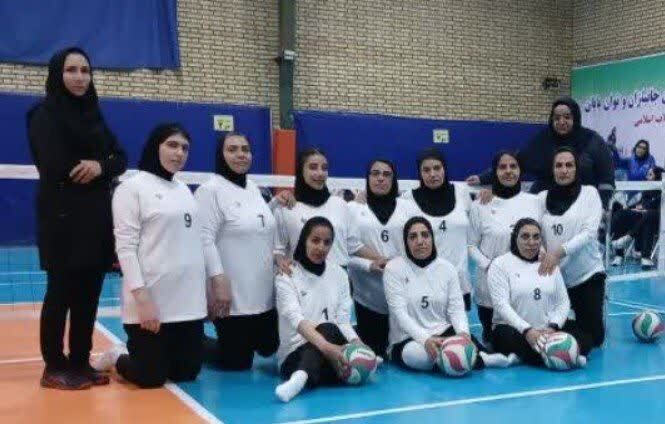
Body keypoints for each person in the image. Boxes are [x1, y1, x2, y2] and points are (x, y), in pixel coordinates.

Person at [27, 47, 127, 390]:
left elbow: (120, 157)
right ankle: (54, 367)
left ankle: (80, 361)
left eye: (85, 70)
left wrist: (100, 166)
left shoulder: (95, 116)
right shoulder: (42, 115)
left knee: (89, 294)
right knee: (60, 294)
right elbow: (56, 164)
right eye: (71, 70)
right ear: (58, 74)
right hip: (61, 219)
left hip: (96, 219)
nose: (80, 77)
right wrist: (100, 165)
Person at [92, 124, 207, 388]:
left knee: (187, 372)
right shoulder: (131, 188)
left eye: (185, 148)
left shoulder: (184, 190)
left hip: (186, 305)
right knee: (150, 376)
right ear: (156, 147)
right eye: (172, 145)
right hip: (150, 302)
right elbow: (125, 248)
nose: (179, 153)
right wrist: (143, 301)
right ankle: (117, 355)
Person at [383, 217, 515, 372]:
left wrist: (463, 334)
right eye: (413, 237)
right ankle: (478, 360)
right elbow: (399, 314)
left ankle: (454, 357)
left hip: (443, 332)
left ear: (432, 238)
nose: (420, 241)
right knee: (417, 356)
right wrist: (425, 340)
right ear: (406, 242)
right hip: (407, 338)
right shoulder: (393, 269)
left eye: (425, 235)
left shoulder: (446, 268)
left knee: (466, 341)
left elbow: (456, 309)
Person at [195, 132, 279, 370]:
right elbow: (204, 238)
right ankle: (192, 341)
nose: (240, 154)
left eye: (245, 149)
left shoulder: (253, 188)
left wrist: (277, 203)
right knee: (238, 362)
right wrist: (217, 280)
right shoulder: (209, 191)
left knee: (269, 347)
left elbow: (257, 225)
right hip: (232, 295)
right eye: (232, 149)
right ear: (220, 155)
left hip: (263, 292)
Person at [275, 217, 370, 403]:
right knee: (327, 327)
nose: (321, 247)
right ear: (304, 240)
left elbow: (343, 321)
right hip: (294, 354)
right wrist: (326, 347)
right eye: (315, 240)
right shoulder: (287, 275)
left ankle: (303, 378)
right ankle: (299, 378)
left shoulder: (340, 274)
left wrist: (357, 343)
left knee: (354, 361)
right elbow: (297, 321)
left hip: (333, 348)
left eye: (327, 242)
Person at [467, 97, 614, 204]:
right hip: (545, 204)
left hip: (583, 206)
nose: (561, 122)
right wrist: (483, 178)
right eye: (557, 118)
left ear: (575, 118)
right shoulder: (542, 140)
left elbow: (606, 178)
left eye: (567, 117)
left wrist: (601, 206)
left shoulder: (592, 141)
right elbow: (516, 163)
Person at [489, 218, 592, 368]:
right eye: (525, 236)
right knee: (507, 340)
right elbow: (501, 305)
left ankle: (525, 357)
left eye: (536, 237)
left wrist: (553, 327)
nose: (531, 242)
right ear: (515, 238)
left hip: (546, 328)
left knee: (586, 338)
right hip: (513, 329)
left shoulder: (548, 263)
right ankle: (568, 357)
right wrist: (527, 330)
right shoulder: (500, 264)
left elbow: (563, 302)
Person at [468, 151, 541, 344]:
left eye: (513, 166)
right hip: (488, 290)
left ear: (520, 170)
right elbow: (471, 245)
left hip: (524, 288)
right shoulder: (480, 205)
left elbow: (541, 241)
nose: (508, 171)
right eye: (502, 167)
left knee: (524, 339)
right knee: (495, 342)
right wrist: (489, 265)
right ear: (494, 172)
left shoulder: (534, 202)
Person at [538, 147, 606, 348]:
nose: (564, 170)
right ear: (552, 169)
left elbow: (589, 232)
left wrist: (558, 253)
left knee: (595, 339)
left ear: (577, 168)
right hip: (553, 277)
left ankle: (568, 329)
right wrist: (543, 254)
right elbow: (530, 228)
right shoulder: (541, 198)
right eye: (559, 165)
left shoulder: (590, 194)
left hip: (586, 276)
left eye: (569, 165)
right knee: (542, 327)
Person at [273, 148, 381, 274]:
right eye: (313, 167)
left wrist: (384, 260)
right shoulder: (286, 208)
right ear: (301, 171)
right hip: (302, 279)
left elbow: (354, 246)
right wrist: (281, 262)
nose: (320, 173)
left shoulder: (340, 205)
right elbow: (278, 249)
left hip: (340, 278)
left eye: (324, 168)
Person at [347, 159, 414, 357]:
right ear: (367, 178)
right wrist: (369, 264)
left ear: (394, 179)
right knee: (375, 352)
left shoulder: (407, 207)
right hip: (368, 298)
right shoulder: (352, 209)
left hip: (404, 294)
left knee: (404, 352)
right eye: (375, 173)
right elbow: (344, 250)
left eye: (386, 174)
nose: (380, 178)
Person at [402, 148, 473, 309]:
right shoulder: (407, 199)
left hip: (459, 283)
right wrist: (363, 198)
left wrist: (488, 194)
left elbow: (476, 230)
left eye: (437, 168)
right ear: (420, 173)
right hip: (424, 283)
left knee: (459, 325)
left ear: (444, 169)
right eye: (426, 170)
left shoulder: (462, 193)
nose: (432, 174)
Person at [610, 166, 662, 268]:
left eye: (650, 175)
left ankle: (643, 255)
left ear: (658, 177)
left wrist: (644, 209)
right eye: (647, 174)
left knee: (649, 215)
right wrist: (631, 208)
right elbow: (640, 205)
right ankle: (619, 255)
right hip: (640, 217)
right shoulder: (646, 191)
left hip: (655, 221)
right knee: (622, 213)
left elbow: (657, 210)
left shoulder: (662, 193)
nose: (646, 177)